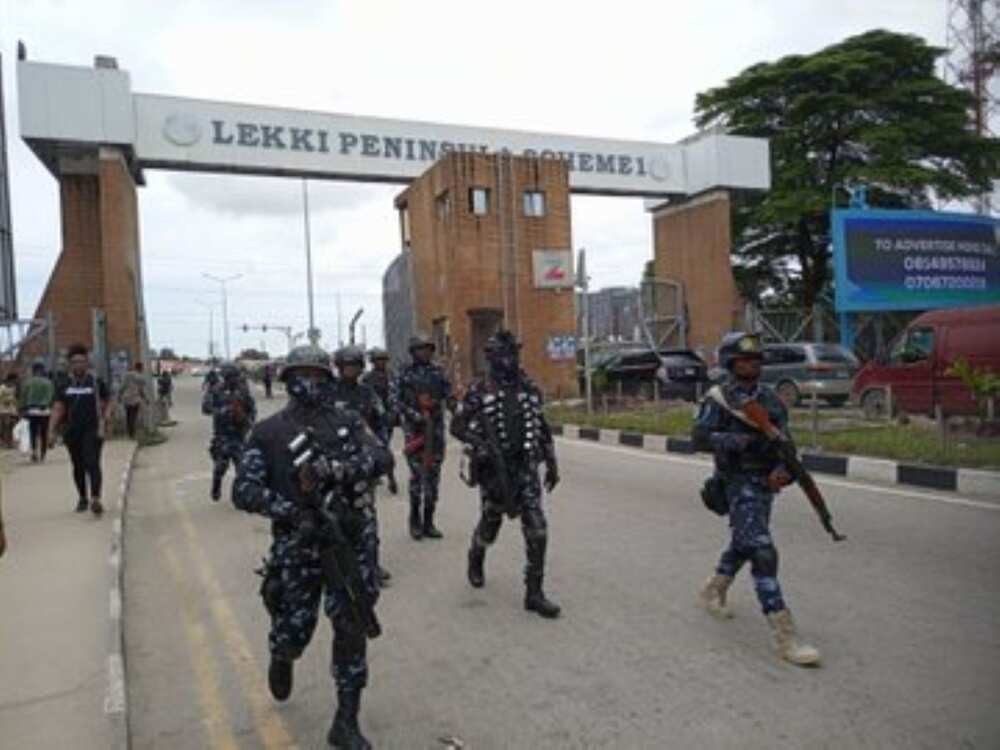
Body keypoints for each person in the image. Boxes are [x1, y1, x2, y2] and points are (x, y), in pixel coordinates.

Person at [232, 345, 392, 748]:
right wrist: (288, 510)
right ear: (287, 380)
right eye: (302, 375)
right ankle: (282, 653)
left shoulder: (350, 422)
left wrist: (338, 469)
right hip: (299, 546)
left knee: (351, 629)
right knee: (295, 630)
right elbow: (244, 490)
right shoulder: (268, 433)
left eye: (319, 376)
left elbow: (381, 458)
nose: (310, 383)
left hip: (350, 544)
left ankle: (345, 721)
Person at [691, 331, 821, 667]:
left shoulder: (771, 401)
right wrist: (744, 443)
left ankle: (713, 588)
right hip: (735, 482)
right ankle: (785, 635)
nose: (750, 365)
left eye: (755, 360)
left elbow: (785, 445)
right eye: (743, 360)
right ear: (731, 364)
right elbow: (700, 439)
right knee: (762, 551)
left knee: (744, 542)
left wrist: (784, 471)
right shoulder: (719, 399)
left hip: (764, 486)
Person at [450, 330, 562, 618]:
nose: (509, 360)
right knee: (491, 524)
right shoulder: (479, 390)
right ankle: (476, 555)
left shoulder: (528, 387)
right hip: (494, 473)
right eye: (503, 355)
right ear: (491, 358)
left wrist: (551, 461)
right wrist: (480, 445)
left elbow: (542, 425)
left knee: (537, 529)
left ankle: (534, 593)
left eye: (512, 354)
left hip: (525, 468)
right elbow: (457, 427)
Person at [328, 345, 392, 586]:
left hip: (362, 466)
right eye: (348, 365)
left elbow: (382, 421)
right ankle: (340, 567)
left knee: (367, 517)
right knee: (335, 517)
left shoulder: (367, 393)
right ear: (339, 367)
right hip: (334, 466)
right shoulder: (327, 394)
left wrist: (379, 451)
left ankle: (372, 567)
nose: (352, 370)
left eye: (356, 365)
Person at [390, 334, 455, 541]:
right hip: (415, 433)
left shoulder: (438, 373)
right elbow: (394, 401)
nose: (424, 352)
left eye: (428, 349)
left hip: (435, 432)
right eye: (420, 349)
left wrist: (458, 411)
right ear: (413, 351)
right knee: (418, 478)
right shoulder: (404, 374)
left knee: (434, 479)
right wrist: (413, 415)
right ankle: (415, 521)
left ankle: (429, 521)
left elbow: (449, 396)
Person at [48, 344, 109, 515]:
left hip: (93, 429)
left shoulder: (96, 382)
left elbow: (107, 403)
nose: (78, 365)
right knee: (78, 465)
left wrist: (103, 423)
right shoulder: (64, 384)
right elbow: (58, 407)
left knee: (92, 462)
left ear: (87, 363)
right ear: (69, 364)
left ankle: (96, 498)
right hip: (72, 430)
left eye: (81, 361)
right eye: (74, 362)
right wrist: (51, 431)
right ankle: (83, 497)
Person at [202, 362, 256, 501]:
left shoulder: (243, 391)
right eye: (230, 377)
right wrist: (225, 411)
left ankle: (240, 495)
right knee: (221, 466)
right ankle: (216, 486)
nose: (234, 380)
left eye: (235, 377)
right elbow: (206, 408)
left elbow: (252, 410)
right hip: (222, 436)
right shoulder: (216, 390)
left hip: (239, 435)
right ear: (225, 377)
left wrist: (246, 419)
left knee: (242, 468)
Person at [360, 347, 398, 495]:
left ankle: (389, 476)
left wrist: (394, 413)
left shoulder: (392, 376)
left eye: (383, 360)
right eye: (378, 360)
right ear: (373, 362)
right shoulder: (367, 378)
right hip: (370, 419)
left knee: (384, 448)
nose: (381, 363)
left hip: (385, 419)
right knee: (372, 448)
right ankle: (382, 476)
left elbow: (395, 396)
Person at [19, 361, 55, 462]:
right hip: (45, 410)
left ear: (33, 371)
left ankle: (34, 451)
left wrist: (22, 408)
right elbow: (51, 397)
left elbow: (23, 397)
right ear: (42, 370)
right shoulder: (48, 382)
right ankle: (43, 454)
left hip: (31, 410)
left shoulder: (27, 383)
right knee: (44, 432)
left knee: (32, 432)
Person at [120, 361, 148, 439]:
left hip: (126, 398)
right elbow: (141, 390)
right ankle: (132, 433)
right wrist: (145, 398)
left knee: (128, 415)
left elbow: (122, 387)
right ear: (141, 368)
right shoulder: (141, 378)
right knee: (133, 416)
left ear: (134, 367)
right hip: (135, 399)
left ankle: (129, 432)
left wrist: (119, 395)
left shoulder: (126, 375)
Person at [0, 373, 19, 449]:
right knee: (6, 426)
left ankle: (10, 442)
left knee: (12, 426)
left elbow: (14, 397)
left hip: (12, 409)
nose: (15, 382)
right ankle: (6, 442)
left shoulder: (14, 387)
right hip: (3, 410)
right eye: (15, 380)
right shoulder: (2, 388)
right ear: (11, 380)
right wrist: (6, 400)